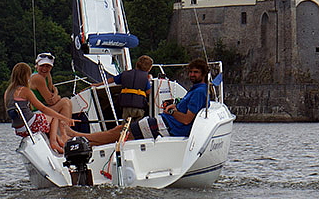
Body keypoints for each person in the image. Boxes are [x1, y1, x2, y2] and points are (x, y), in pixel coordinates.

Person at [70, 59, 209, 147]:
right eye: (190, 72)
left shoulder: (199, 92)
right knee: (120, 131)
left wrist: (171, 111)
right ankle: (81, 139)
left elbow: (186, 120)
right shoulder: (197, 90)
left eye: (195, 72)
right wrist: (175, 106)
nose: (192, 75)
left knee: (121, 134)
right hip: (160, 123)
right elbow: (149, 93)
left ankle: (80, 139)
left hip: (164, 126)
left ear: (203, 74)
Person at [4, 62, 75, 154]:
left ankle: (58, 141)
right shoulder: (25, 91)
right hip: (30, 126)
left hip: (19, 129)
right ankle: (54, 143)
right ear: (26, 76)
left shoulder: (7, 92)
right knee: (54, 117)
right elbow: (43, 108)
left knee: (43, 118)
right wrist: (65, 118)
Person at [29, 52, 72, 148]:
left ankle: (64, 132)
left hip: (44, 108)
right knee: (65, 102)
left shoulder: (47, 75)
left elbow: (53, 89)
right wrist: (56, 95)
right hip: (37, 111)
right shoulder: (37, 78)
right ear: (36, 66)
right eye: (42, 66)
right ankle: (65, 133)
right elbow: (51, 101)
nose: (45, 69)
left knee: (67, 101)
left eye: (48, 66)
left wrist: (55, 93)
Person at [106, 55, 153, 120]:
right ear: (149, 68)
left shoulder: (125, 74)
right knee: (137, 125)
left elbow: (112, 79)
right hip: (139, 106)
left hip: (126, 105)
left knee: (126, 124)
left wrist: (98, 84)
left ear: (137, 64)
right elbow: (148, 92)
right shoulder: (145, 77)